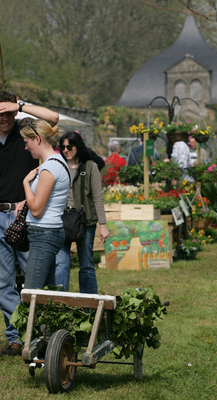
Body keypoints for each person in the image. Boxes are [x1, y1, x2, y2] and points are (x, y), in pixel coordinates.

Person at [0, 91, 58, 356]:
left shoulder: (25, 132)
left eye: (10, 112)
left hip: (25, 215)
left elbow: (53, 118)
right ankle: (17, 336)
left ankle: (39, 334)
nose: (6, 118)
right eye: (1, 113)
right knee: (3, 283)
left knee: (35, 279)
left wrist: (21, 105)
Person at [15, 119, 70, 291]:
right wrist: (27, 201)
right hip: (48, 232)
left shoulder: (49, 168)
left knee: (32, 292)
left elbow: (37, 210)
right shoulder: (57, 162)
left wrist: (25, 183)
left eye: (27, 142)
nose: (26, 148)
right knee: (48, 293)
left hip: (44, 233)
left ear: (37, 139)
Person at [55, 131, 109, 293]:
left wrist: (103, 225)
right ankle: (58, 304)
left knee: (86, 265)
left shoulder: (90, 166)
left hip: (85, 221)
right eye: (63, 147)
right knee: (61, 264)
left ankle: (89, 305)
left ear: (77, 146)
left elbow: (98, 197)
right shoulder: (58, 166)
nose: (66, 150)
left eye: (69, 146)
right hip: (62, 220)